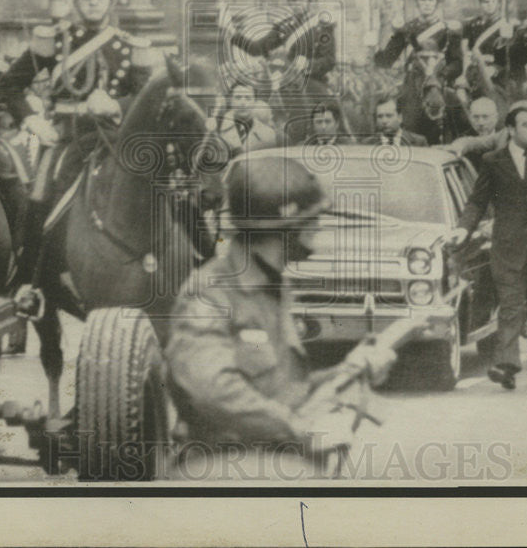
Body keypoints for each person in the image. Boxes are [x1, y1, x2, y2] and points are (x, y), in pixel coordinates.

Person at [165, 155, 395, 457]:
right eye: (310, 220)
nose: (317, 228)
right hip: (222, 472)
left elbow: (287, 392)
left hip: (280, 464)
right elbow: (212, 391)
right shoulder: (209, 294)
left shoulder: (276, 287)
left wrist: (350, 369)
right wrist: (301, 431)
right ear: (283, 228)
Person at [0, 0, 161, 291]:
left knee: (159, 190)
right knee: (39, 200)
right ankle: (29, 285)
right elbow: (10, 84)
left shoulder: (132, 46)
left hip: (113, 139)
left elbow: (149, 99)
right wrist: (32, 121)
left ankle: (168, 265)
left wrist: (115, 104)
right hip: (66, 141)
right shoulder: (53, 41)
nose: (92, 4)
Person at [450, 103, 527, 390]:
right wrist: (462, 228)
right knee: (510, 306)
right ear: (511, 130)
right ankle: (506, 365)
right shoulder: (494, 161)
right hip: (507, 248)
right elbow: (477, 202)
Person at [230, 0, 337, 145]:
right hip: (280, 79)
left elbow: (329, 60)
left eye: (300, 0)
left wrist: (307, 65)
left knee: (330, 109)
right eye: (292, 0)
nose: (295, 5)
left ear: (310, 0)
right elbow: (258, 48)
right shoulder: (284, 27)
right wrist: (234, 35)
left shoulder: (322, 26)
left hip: (311, 80)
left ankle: (334, 138)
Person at [461, 0, 512, 80]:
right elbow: (464, 51)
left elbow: (507, 59)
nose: (490, 5)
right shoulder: (470, 25)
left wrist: (494, 70)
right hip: (474, 70)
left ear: (498, 2)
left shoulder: (506, 26)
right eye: (486, 2)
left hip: (496, 73)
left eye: (493, 1)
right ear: (480, 3)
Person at [218, 82, 277, 157]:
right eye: (238, 98)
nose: (243, 103)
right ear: (230, 101)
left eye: (248, 98)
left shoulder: (268, 134)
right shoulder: (218, 129)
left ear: (255, 102)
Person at [363, 94, 427, 147]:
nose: (384, 121)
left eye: (389, 116)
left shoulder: (418, 142)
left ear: (400, 118)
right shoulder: (367, 144)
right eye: (380, 116)